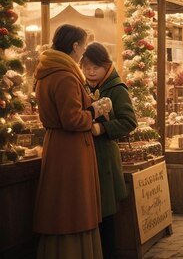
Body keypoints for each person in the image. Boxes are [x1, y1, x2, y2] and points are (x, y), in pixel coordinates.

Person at [33, 24, 108, 259]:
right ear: (75, 46)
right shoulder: (65, 75)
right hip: (70, 149)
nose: (84, 51)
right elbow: (72, 119)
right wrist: (94, 111)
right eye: (83, 46)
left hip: (60, 145)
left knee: (62, 204)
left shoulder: (49, 72)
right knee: (72, 205)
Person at [81, 42, 138, 258]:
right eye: (86, 67)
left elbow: (129, 121)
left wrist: (102, 127)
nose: (90, 72)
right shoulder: (84, 86)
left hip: (104, 157)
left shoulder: (116, 88)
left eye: (95, 67)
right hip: (86, 156)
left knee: (106, 213)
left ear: (106, 66)